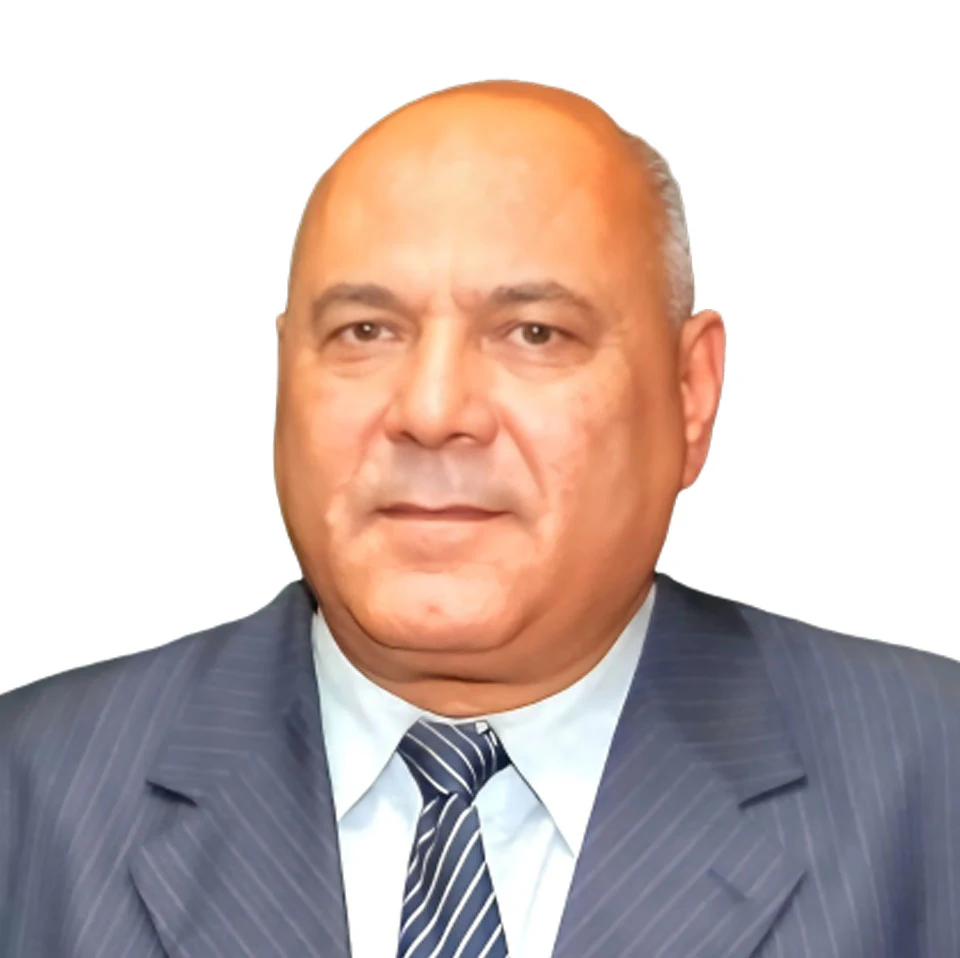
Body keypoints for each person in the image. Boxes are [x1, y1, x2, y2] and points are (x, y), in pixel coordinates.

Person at [1, 80, 958, 958]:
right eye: (365, 331)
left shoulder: (931, 779)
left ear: (689, 392)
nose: (431, 410)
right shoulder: (32, 788)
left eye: (534, 332)